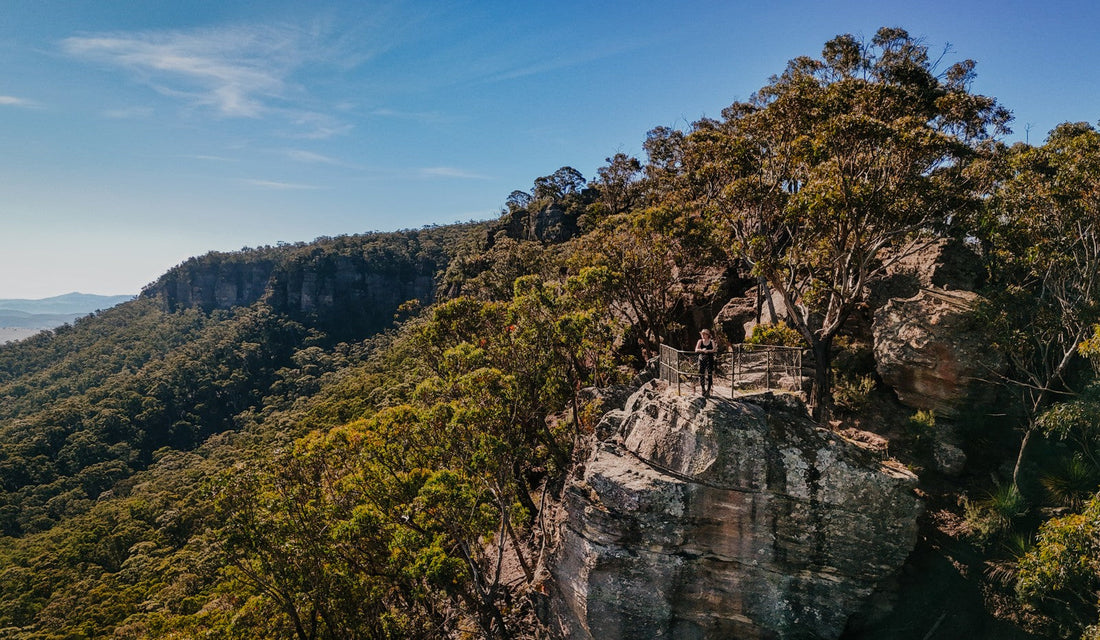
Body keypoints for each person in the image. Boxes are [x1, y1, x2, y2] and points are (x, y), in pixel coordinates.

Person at [695, 329, 717, 397]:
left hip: (709, 359)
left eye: (704, 334)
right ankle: (703, 389)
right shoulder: (700, 341)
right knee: (701, 374)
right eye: (702, 334)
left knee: (709, 374)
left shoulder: (711, 341)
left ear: (707, 335)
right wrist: (702, 350)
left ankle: (709, 390)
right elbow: (696, 350)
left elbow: (714, 349)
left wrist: (708, 351)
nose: (703, 335)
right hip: (702, 359)